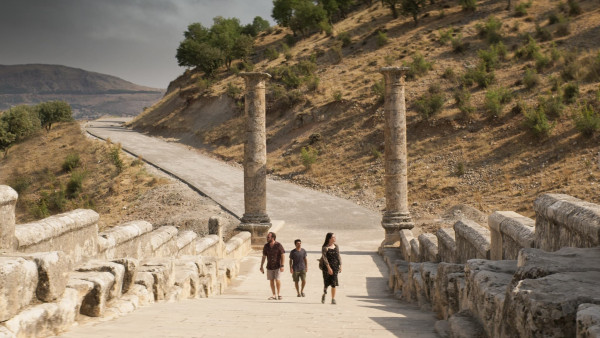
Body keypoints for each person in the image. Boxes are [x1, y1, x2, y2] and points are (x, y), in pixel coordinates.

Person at [260, 232, 285, 300]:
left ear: (272, 238)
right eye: (267, 237)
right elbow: (264, 256)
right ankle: (273, 294)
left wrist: (282, 265)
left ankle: (279, 294)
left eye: (268, 237)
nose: (267, 238)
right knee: (271, 281)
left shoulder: (278, 245)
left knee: (277, 280)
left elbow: (283, 255)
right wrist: (261, 266)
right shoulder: (266, 246)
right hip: (269, 266)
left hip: (277, 266)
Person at [321, 232, 342, 304]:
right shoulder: (325, 248)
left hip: (335, 267)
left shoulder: (336, 246)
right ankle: (324, 294)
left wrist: (341, 265)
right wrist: (329, 268)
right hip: (326, 268)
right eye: (333, 237)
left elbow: (338, 256)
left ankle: (333, 299)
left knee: (334, 283)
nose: (335, 238)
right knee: (326, 282)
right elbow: (325, 259)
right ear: (329, 238)